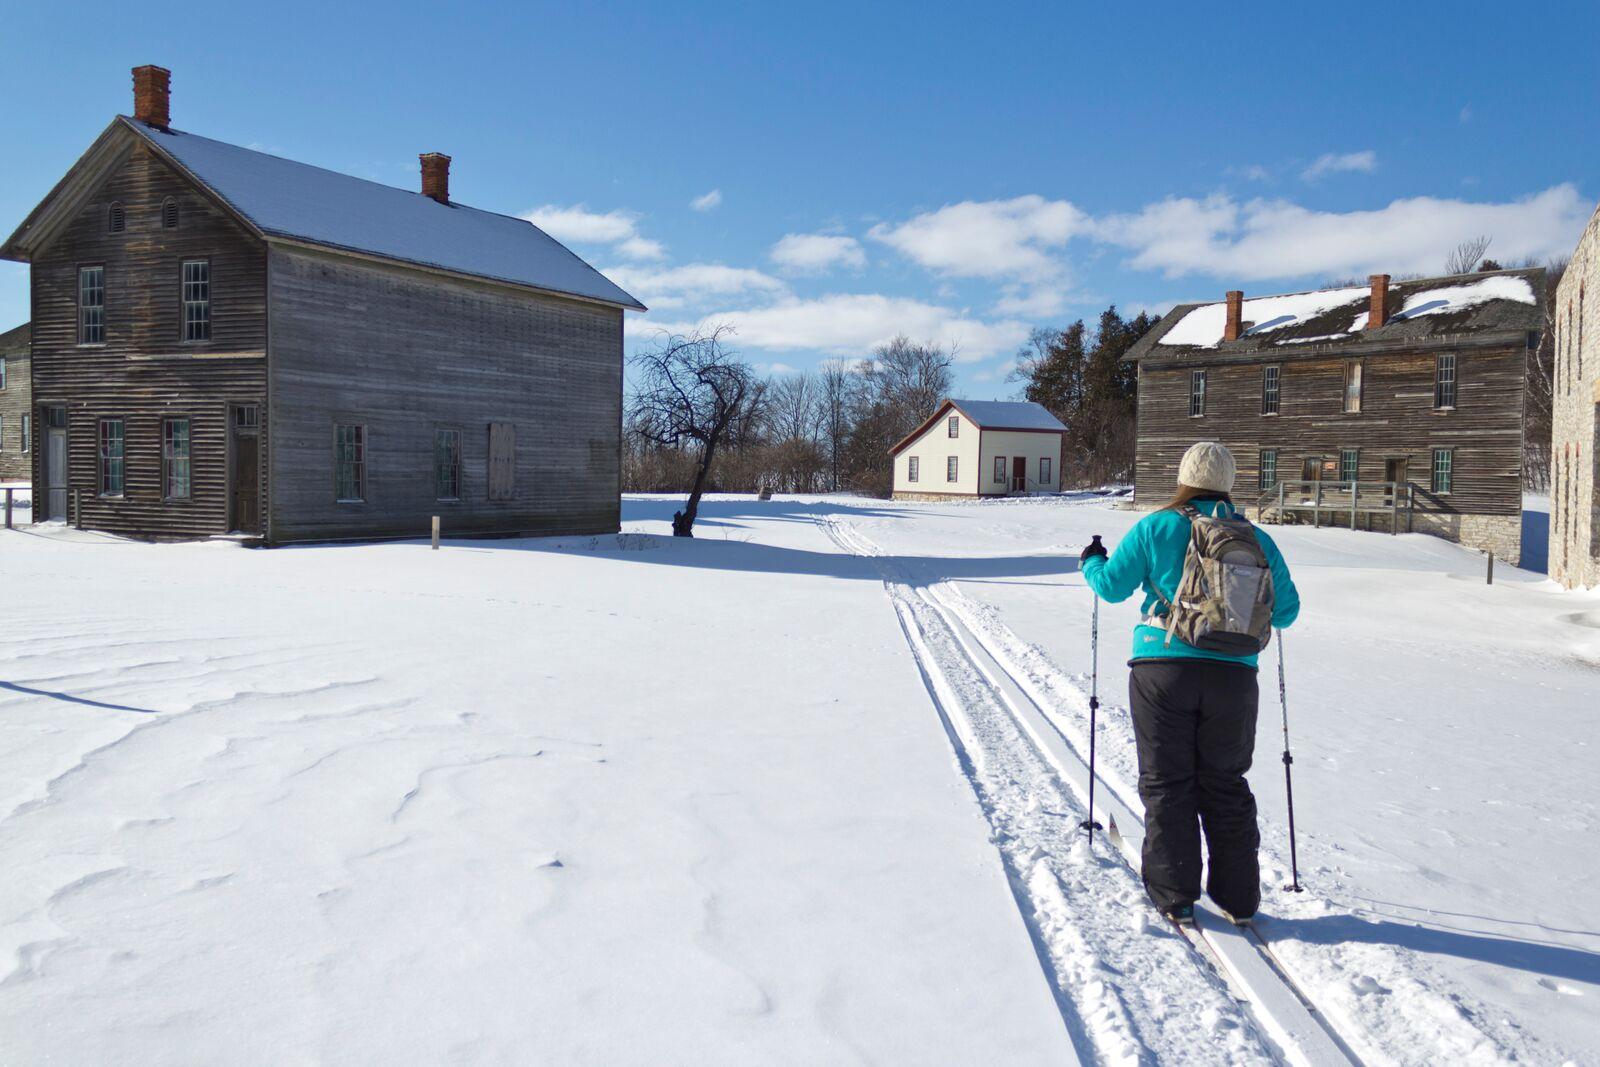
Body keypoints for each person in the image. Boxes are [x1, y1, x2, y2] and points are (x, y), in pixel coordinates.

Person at [1079, 442, 1300, 925]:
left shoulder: (1157, 526)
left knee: (1167, 781)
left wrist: (1091, 561)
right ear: (1228, 481)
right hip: (1235, 676)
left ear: (1183, 479)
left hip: (1163, 669)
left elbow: (1111, 587)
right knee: (1225, 783)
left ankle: (1175, 894)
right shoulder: (1255, 538)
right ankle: (1239, 899)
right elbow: (1286, 611)